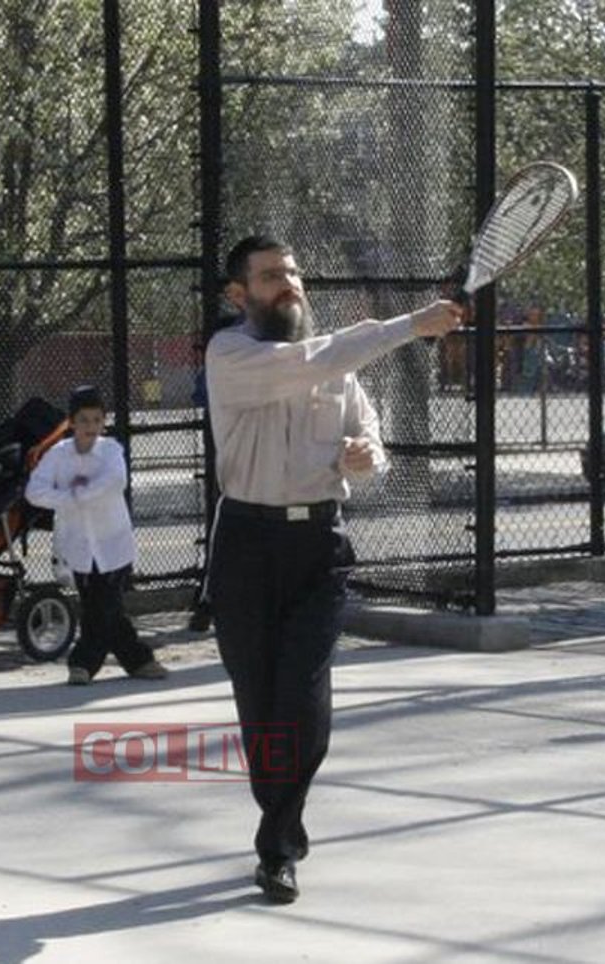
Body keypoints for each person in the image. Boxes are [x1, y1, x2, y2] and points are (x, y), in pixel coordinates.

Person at [204, 235, 464, 903]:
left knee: (305, 702)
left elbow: (370, 439)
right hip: (246, 547)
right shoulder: (230, 354)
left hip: (320, 548)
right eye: (269, 276)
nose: (287, 284)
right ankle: (281, 826)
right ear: (240, 295)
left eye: (292, 272)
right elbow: (313, 358)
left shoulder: (338, 369)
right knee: (261, 709)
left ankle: (278, 846)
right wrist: (411, 325)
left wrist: (362, 454)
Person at [24, 385, 168, 686]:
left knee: (103, 604)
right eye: (83, 420)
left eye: (96, 420)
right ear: (72, 422)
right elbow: (35, 491)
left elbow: (115, 481)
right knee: (103, 606)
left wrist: (79, 493)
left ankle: (83, 663)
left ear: (103, 422)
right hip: (77, 546)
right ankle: (139, 660)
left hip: (112, 543)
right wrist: (69, 498)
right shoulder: (57, 455)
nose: (90, 427)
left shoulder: (111, 450)